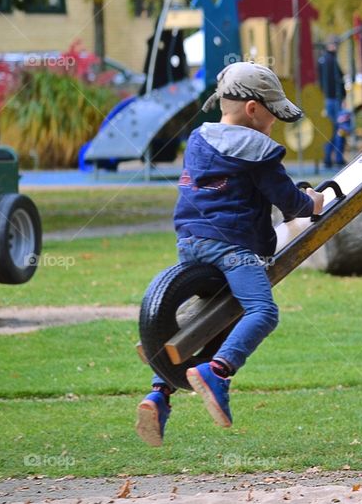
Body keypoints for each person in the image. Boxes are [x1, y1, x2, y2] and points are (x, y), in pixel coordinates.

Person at [135, 62, 324, 447]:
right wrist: (313, 201)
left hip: (190, 243)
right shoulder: (255, 148)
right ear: (253, 109)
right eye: (273, 114)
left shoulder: (200, 139)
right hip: (233, 248)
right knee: (261, 312)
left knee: (211, 318)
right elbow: (289, 201)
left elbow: (223, 189)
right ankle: (218, 372)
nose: (274, 123)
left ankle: (159, 392)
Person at [317, 36, 346, 168]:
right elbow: (338, 80)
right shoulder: (331, 61)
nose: (336, 47)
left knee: (330, 129)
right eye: (334, 44)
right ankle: (337, 157)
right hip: (333, 99)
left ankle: (328, 158)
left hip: (328, 98)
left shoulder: (323, 60)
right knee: (339, 128)